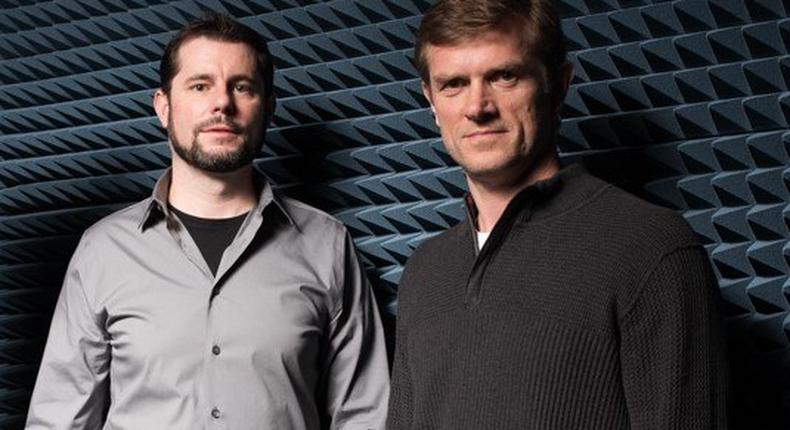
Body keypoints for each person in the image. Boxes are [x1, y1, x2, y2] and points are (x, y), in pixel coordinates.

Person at [26, 14, 389, 429]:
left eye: (242, 87)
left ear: (267, 108)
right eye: (200, 86)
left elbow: (366, 415)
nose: (222, 103)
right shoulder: (102, 251)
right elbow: (59, 420)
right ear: (163, 106)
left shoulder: (326, 244)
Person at [387, 0, 729, 428]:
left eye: (504, 76)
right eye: (453, 84)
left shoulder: (650, 248)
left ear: (558, 84)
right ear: (432, 102)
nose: (478, 106)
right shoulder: (425, 270)